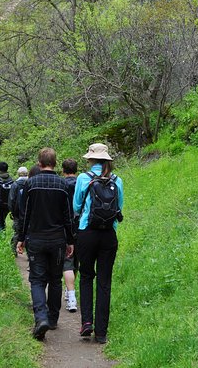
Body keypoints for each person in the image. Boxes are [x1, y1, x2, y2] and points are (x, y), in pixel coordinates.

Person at [16, 148, 74, 341]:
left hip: (36, 238)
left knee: (37, 279)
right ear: (55, 163)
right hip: (57, 239)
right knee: (56, 279)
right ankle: (53, 318)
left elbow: (25, 215)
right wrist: (70, 240)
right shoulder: (62, 184)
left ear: (39, 163)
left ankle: (41, 318)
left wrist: (21, 238)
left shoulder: (31, 184)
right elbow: (67, 216)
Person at [73, 143, 124, 344]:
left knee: (86, 276)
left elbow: (77, 205)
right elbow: (119, 207)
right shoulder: (117, 180)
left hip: (87, 232)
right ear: (107, 159)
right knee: (104, 281)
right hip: (108, 236)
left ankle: (87, 322)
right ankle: (101, 332)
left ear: (90, 159)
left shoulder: (83, 178)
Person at [61, 158, 79, 313]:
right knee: (76, 261)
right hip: (81, 226)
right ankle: (69, 290)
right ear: (77, 170)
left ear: (63, 170)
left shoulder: (61, 184)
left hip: (64, 227)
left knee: (67, 261)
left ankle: (71, 296)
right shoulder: (83, 183)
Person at [8, 166, 29, 256]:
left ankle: (13, 251)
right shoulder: (31, 183)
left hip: (18, 213)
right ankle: (29, 254)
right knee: (29, 232)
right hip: (29, 212)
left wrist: (12, 212)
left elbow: (11, 199)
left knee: (17, 231)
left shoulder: (15, 184)